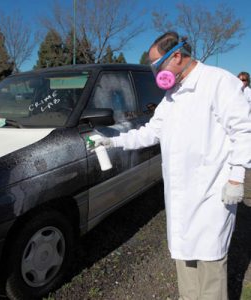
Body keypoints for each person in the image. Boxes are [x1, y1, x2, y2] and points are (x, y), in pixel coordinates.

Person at [95, 31, 251, 299]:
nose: (156, 73)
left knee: (210, 264)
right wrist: (114, 141)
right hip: (181, 195)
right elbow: (151, 132)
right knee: (184, 260)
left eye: (158, 65)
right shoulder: (171, 96)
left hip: (212, 193)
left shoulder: (219, 82)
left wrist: (237, 177)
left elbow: (244, 132)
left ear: (177, 56)